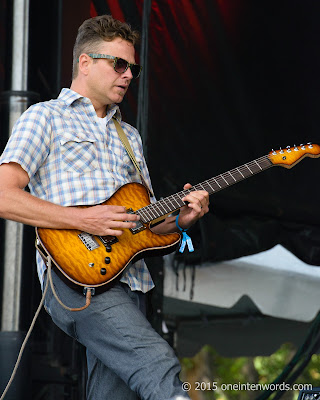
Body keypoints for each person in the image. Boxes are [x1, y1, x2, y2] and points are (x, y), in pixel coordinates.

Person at [0, 15, 209, 400]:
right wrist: (83, 218)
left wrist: (182, 219)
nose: (129, 75)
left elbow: (145, 224)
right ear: (84, 62)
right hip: (77, 277)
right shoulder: (45, 116)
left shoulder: (129, 136)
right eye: (119, 64)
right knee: (155, 361)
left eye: (133, 68)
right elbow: (4, 196)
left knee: (116, 395)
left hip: (132, 281)